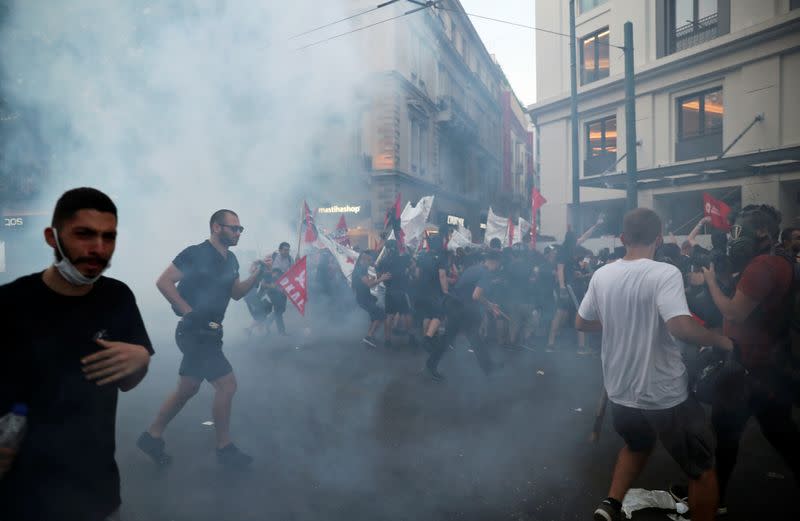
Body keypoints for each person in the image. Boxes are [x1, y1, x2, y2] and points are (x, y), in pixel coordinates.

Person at [0, 187, 153, 521]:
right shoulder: (10, 302)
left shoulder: (117, 298)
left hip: (94, 489)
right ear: (52, 237)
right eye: (84, 234)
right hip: (20, 493)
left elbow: (128, 382)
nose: (98, 248)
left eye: (108, 237)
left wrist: (141, 360)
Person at [576, 208, 734, 521]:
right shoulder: (664, 273)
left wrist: (617, 322)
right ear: (659, 239)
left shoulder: (602, 274)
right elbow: (680, 327)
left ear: (622, 238)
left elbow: (582, 323)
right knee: (702, 470)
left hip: (621, 391)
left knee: (637, 444)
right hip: (664, 395)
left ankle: (610, 504)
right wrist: (720, 340)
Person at [137, 209, 265, 469]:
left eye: (241, 229)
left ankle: (152, 436)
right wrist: (188, 312)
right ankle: (224, 448)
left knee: (188, 388)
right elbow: (164, 282)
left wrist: (258, 275)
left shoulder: (231, 260)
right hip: (194, 333)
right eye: (234, 228)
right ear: (217, 228)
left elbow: (237, 293)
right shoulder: (195, 253)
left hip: (212, 332)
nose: (238, 233)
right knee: (227, 385)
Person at [699, 205, 800, 513]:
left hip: (747, 367)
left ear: (761, 232)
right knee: (781, 433)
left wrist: (710, 281)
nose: (734, 238)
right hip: (771, 365)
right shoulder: (780, 260)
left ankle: (716, 501)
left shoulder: (763, 266)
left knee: (726, 435)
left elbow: (734, 311)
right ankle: (718, 498)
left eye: (740, 231)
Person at [424, 250, 503, 381]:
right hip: (459, 308)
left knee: (472, 337)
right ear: (495, 262)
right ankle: (429, 366)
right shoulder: (486, 273)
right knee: (455, 338)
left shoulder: (474, 268)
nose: (498, 267)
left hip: (455, 305)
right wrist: (490, 305)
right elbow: (476, 295)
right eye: (498, 264)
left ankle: (488, 366)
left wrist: (489, 305)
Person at [353, 250, 391, 347]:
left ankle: (370, 336)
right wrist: (381, 279)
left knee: (376, 316)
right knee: (380, 315)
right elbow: (369, 284)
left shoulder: (362, 268)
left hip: (366, 297)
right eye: (370, 260)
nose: (371, 262)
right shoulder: (360, 269)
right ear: (364, 259)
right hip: (363, 299)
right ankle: (368, 337)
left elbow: (366, 283)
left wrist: (373, 279)